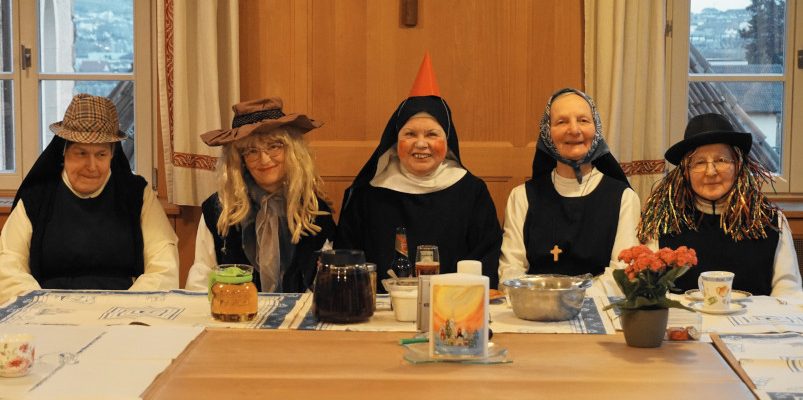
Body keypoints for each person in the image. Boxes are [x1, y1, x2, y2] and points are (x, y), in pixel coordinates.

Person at [335, 54, 502, 289]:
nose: (421, 144)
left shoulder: (471, 191)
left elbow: (486, 259)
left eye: (432, 134)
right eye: (410, 134)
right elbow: (346, 263)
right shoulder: (368, 194)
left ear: (448, 142)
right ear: (395, 141)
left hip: (454, 304)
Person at [0, 94, 179, 303]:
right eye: (81, 153)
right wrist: (42, 305)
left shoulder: (136, 195)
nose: (92, 166)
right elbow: (9, 265)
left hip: (123, 310)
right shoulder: (37, 198)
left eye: (101, 154)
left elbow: (163, 264)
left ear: (112, 154)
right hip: (49, 310)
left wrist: (126, 306)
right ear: (64, 152)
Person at [638, 113, 802, 297]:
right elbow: (649, 293)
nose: (710, 172)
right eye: (700, 162)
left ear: (738, 165)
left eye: (721, 160)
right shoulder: (663, 223)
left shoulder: (770, 222)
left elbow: (788, 291)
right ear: (686, 171)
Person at [185, 97, 336, 293]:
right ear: (240, 159)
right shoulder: (219, 209)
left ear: (292, 150)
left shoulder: (314, 208)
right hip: (234, 311)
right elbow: (201, 280)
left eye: (274, 146)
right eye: (252, 151)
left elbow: (327, 285)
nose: (264, 160)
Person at [498, 88, 641, 285]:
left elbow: (622, 276)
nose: (574, 130)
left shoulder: (624, 198)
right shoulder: (521, 197)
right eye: (561, 122)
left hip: (600, 303)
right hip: (535, 303)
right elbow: (510, 272)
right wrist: (549, 297)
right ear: (547, 133)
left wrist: (570, 296)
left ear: (597, 128)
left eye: (583, 120)